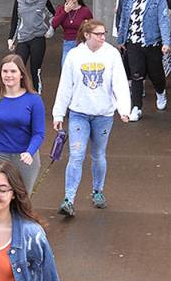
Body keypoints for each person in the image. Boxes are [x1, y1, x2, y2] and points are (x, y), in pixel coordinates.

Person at [53, 19, 131, 217]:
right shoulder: (74, 55)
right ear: (87, 35)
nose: (103, 37)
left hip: (103, 114)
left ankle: (98, 191)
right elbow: (65, 86)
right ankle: (69, 199)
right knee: (76, 155)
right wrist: (58, 113)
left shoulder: (112, 53)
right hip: (79, 113)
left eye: (104, 33)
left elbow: (119, 82)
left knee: (98, 155)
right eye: (98, 34)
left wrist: (124, 108)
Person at [0, 55, 47, 194]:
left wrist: (30, 152)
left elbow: (39, 133)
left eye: (13, 71)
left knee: (22, 199)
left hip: (24, 157)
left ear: (21, 74)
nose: (8, 75)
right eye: (5, 71)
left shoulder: (34, 99)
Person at [117, 0, 171, 117]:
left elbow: (164, 20)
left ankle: (160, 92)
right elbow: (123, 19)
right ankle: (136, 107)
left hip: (151, 42)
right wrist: (121, 39)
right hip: (133, 42)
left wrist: (166, 42)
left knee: (156, 74)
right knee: (136, 74)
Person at [7, 0, 56, 92]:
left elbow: (54, 16)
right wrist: (11, 39)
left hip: (38, 38)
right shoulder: (19, 1)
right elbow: (15, 21)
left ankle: (36, 95)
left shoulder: (44, 0)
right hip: (23, 38)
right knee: (18, 66)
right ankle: (19, 92)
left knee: (35, 69)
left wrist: (51, 29)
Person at [51, 0, 93, 67]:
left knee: (81, 68)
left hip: (82, 43)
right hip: (68, 42)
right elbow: (54, 24)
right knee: (66, 67)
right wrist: (65, 11)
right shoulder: (61, 9)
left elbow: (91, 27)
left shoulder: (85, 11)